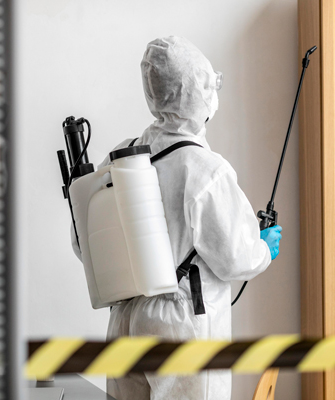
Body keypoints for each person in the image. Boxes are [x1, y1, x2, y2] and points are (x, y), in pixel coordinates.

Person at [76, 36, 283, 400]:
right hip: (180, 324)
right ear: (198, 92)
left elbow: (87, 244)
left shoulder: (122, 160)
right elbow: (236, 258)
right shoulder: (205, 169)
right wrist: (263, 248)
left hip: (126, 318)